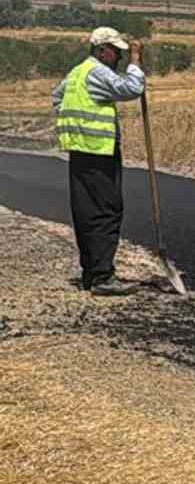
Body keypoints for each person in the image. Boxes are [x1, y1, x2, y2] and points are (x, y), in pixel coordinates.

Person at [51, 27, 146, 296]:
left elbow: (57, 97)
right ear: (102, 49)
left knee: (86, 212)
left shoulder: (77, 72)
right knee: (107, 211)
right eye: (116, 52)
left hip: (80, 151)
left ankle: (92, 273)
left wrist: (77, 124)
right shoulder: (97, 72)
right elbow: (132, 88)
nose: (118, 57)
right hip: (99, 152)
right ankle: (103, 277)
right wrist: (136, 61)